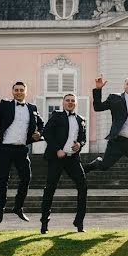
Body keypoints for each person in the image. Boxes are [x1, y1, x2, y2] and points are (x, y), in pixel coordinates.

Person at [0, 81, 44, 223]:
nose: (19, 92)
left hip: (22, 149)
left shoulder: (32, 108)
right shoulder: (5, 105)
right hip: (5, 147)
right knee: (3, 180)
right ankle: (0, 209)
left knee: (26, 178)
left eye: (21, 90)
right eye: (16, 90)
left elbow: (41, 124)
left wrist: (39, 134)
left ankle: (18, 207)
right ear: (12, 92)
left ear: (26, 91)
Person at [84, 76, 128, 178]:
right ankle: (96, 163)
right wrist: (98, 89)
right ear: (124, 86)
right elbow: (98, 107)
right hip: (117, 141)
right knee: (104, 166)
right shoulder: (115, 98)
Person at [39, 94, 87, 233]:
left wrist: (80, 144)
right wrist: (57, 150)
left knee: (83, 187)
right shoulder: (57, 115)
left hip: (73, 159)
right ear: (63, 102)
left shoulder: (81, 119)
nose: (70, 103)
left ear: (76, 103)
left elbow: (82, 138)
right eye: (68, 100)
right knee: (50, 189)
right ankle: (44, 224)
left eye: (73, 101)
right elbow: (47, 133)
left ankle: (79, 222)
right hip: (56, 158)